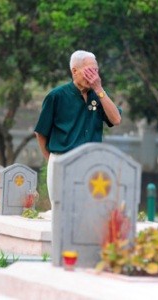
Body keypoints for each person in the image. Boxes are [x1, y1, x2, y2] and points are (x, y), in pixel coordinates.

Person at [34, 50, 122, 208]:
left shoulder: (99, 96)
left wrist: (99, 90)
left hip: (92, 163)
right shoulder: (57, 96)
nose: (94, 76)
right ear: (74, 71)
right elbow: (41, 133)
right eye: (89, 71)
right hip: (62, 160)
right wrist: (52, 160)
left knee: (90, 211)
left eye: (96, 71)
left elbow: (116, 119)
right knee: (62, 211)